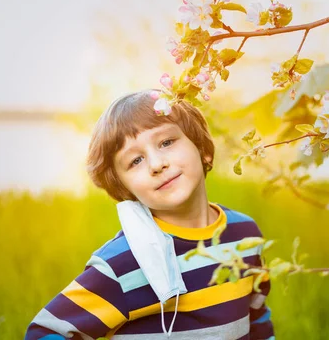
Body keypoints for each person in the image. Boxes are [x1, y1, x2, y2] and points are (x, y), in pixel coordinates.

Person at [24, 90, 274, 339]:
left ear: (202, 149)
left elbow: (257, 317)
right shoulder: (124, 264)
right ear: (124, 189)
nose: (156, 164)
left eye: (166, 142)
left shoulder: (245, 234)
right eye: (135, 161)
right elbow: (43, 332)